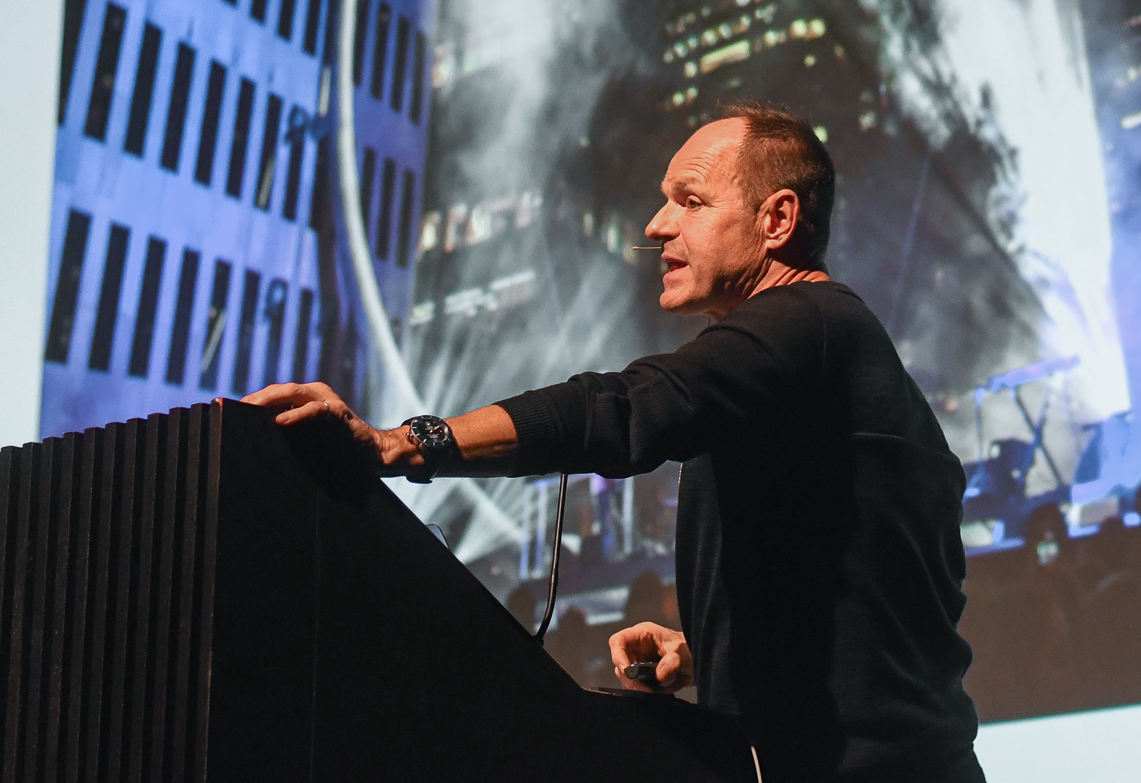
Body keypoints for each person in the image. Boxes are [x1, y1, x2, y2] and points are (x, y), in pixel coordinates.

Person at [245, 103, 983, 783]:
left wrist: (406, 444)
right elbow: (887, 596)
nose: (657, 224)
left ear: (777, 219)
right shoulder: (816, 362)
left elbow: (627, 408)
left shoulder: (809, 321)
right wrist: (710, 652)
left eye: (690, 201)